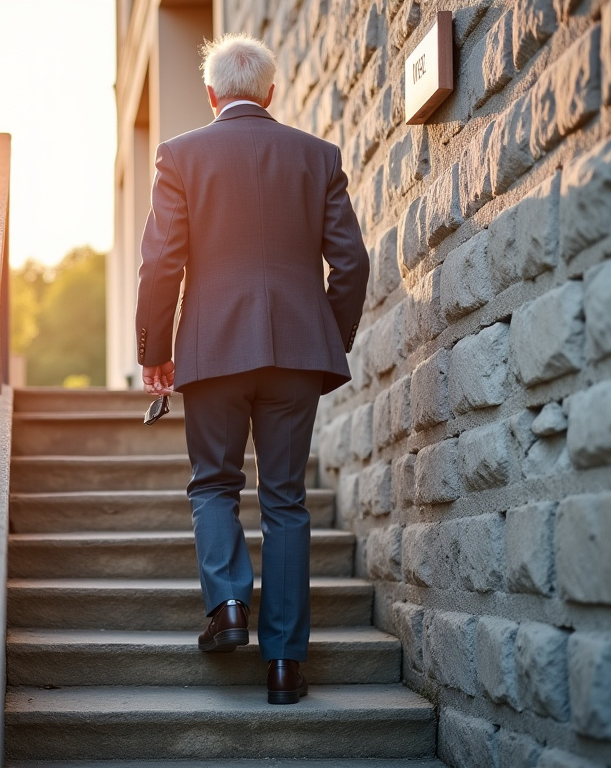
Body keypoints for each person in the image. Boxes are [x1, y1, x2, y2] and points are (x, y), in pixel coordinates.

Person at [134, 33, 369, 705]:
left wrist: (155, 351)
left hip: (212, 354)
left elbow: (160, 262)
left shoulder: (180, 155)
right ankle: (286, 666)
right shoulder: (317, 156)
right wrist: (327, 335)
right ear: (270, 92)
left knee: (213, 484)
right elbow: (350, 265)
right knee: (287, 500)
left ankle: (229, 605)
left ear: (212, 95)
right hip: (297, 354)